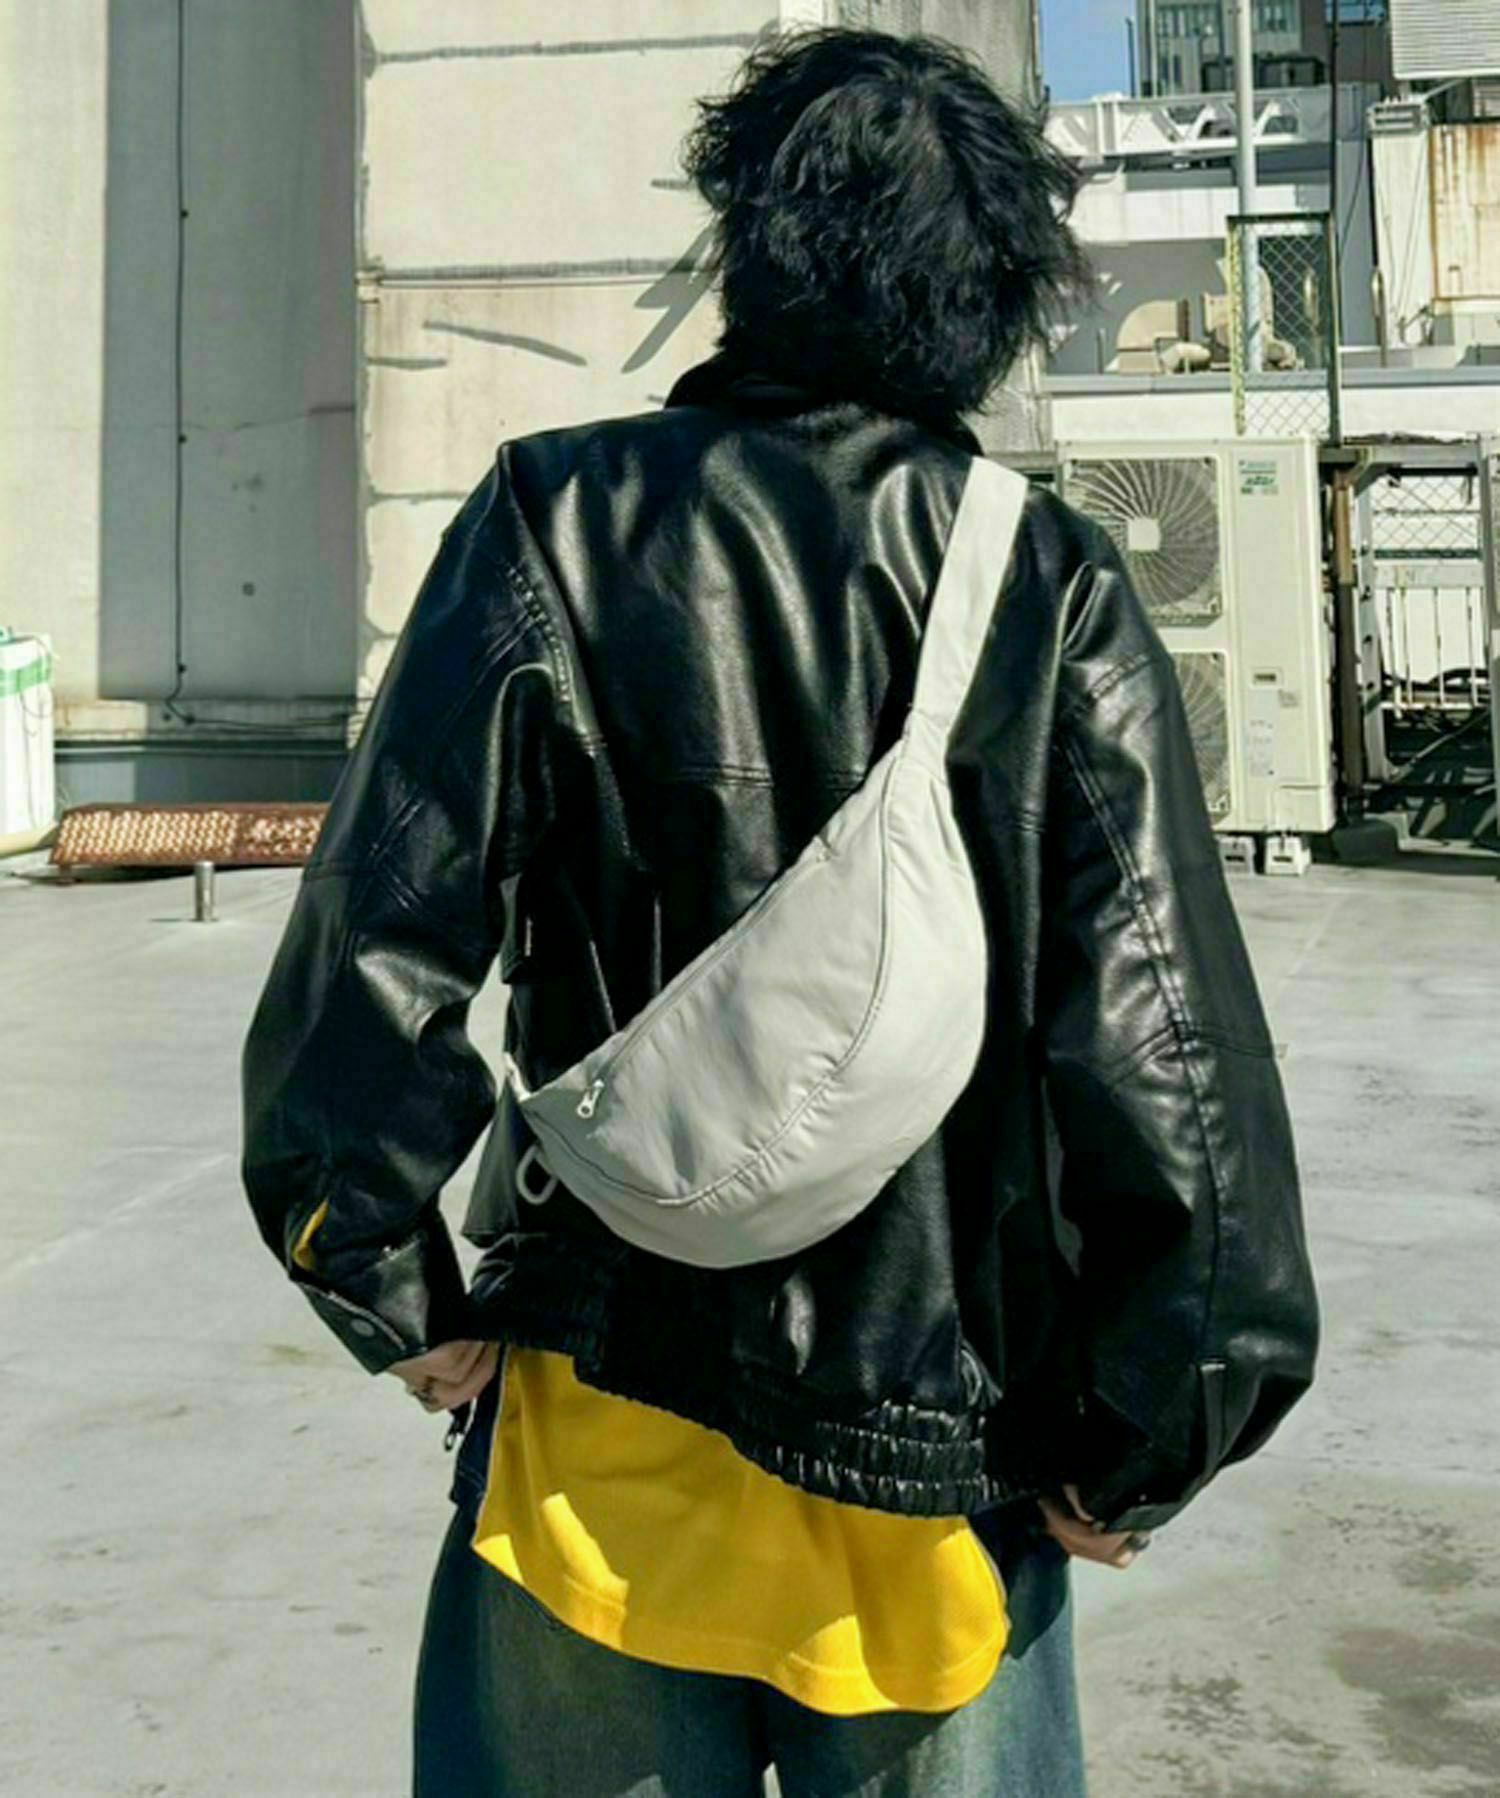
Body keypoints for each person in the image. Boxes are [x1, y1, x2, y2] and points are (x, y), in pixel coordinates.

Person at [241, 26, 1318, 1797]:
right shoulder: (1044, 577)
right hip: (943, 1467)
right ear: (991, 294)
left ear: (748, 249)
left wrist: (383, 1265)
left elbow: (375, 943)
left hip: (597, 1438)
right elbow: (1169, 1060)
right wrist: (1151, 1426)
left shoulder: (552, 518)